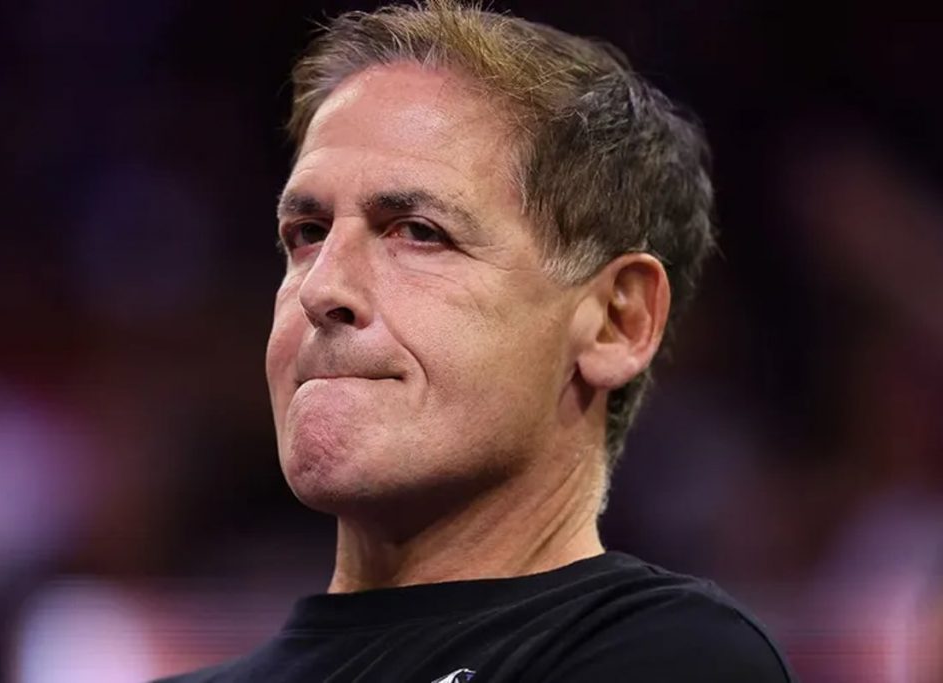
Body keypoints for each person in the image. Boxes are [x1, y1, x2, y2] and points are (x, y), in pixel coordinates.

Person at [159, 1, 797, 680]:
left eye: (418, 232)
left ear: (617, 320)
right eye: (308, 234)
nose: (320, 289)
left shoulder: (676, 657)